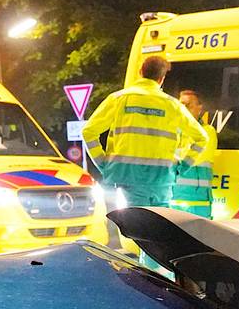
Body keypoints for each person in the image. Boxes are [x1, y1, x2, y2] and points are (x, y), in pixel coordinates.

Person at [81, 55, 209, 210]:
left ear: (140, 71)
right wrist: (181, 168)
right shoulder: (173, 105)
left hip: (127, 178)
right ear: (161, 79)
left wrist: (104, 164)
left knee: (135, 223)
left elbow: (88, 132)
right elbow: (201, 138)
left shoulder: (118, 99)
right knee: (161, 223)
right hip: (161, 181)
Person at [173, 89, 217, 218]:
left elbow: (195, 158)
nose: (184, 109)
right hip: (172, 199)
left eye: (188, 105)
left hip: (198, 202)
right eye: (181, 105)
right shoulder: (173, 131)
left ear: (199, 108)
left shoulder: (207, 131)